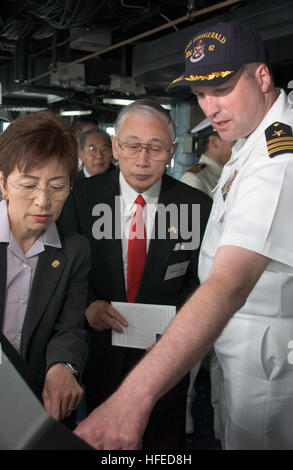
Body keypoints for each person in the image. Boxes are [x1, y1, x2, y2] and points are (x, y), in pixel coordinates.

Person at [73, 21, 293, 451]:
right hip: (238, 358)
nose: (210, 107)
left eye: (223, 87)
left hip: (265, 366)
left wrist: (134, 398)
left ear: (262, 77)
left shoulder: (276, 158)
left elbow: (228, 284)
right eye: (199, 94)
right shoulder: (248, 145)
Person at [61, 98, 212, 450]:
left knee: (164, 441)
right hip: (100, 348)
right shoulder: (80, 199)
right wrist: (88, 305)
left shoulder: (196, 206)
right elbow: (65, 273)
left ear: (172, 151)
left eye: (155, 148)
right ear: (115, 146)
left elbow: (202, 281)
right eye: (132, 146)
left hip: (165, 354)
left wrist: (182, 323)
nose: (142, 160)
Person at [0, 111, 90, 424]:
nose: (43, 201)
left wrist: (63, 367)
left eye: (57, 186)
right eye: (29, 184)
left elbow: (70, 327)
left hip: (39, 403)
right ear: (3, 183)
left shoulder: (74, 250)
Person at [182, 119, 234, 437]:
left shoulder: (230, 174)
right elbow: (190, 235)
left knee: (221, 358)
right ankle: (184, 422)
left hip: (223, 277)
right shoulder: (196, 177)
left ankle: (218, 428)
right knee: (190, 356)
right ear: (213, 141)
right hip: (201, 279)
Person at [181, 118, 233, 197]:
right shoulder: (194, 179)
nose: (237, 146)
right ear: (214, 142)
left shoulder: (228, 172)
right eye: (234, 141)